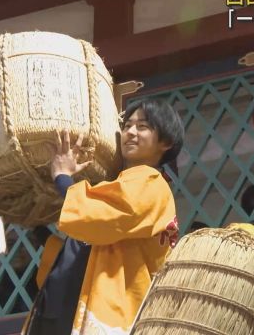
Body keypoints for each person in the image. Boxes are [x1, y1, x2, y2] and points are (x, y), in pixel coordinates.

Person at [23, 99, 184, 334]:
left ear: (166, 142)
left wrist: (62, 177)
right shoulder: (118, 185)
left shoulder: (152, 183)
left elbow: (99, 215)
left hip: (107, 310)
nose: (130, 132)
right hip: (62, 308)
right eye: (127, 125)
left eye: (143, 126)